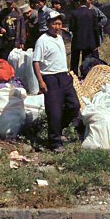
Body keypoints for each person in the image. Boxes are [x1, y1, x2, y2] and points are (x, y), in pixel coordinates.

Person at [33, 11, 81, 152]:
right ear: (48, 24)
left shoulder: (60, 38)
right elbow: (36, 62)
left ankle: (58, 129)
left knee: (74, 105)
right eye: (54, 23)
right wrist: (41, 82)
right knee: (54, 111)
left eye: (59, 23)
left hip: (64, 76)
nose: (57, 26)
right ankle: (54, 142)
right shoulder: (42, 40)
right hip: (50, 78)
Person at [68, 0, 99, 75]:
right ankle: (85, 76)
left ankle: (74, 77)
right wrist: (97, 43)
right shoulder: (92, 12)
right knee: (86, 61)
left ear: (78, 2)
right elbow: (96, 28)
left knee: (75, 60)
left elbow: (71, 28)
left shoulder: (74, 13)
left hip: (77, 40)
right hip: (89, 40)